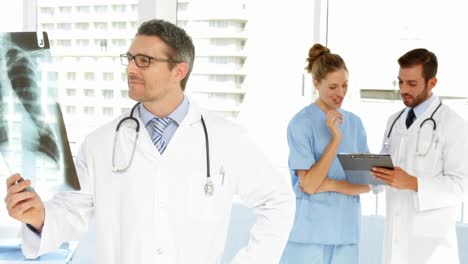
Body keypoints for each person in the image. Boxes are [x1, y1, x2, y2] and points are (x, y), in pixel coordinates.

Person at [3, 19, 295, 263]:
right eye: (129, 59)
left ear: (178, 71)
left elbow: (277, 200)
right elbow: (70, 211)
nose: (130, 69)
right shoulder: (101, 143)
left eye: (144, 61)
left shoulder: (227, 138)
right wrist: (38, 216)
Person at [371, 48, 468, 264]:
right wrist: (370, 173)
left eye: (412, 84)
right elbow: (386, 170)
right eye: (400, 82)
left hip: (432, 249)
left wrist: (414, 183)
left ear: (432, 83)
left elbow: (461, 186)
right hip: (395, 242)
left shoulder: (453, 124)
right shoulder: (393, 121)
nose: (403, 89)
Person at [280, 43, 370, 264]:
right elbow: (309, 185)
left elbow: (368, 184)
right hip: (309, 235)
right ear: (316, 83)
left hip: (347, 233)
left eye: (344, 85)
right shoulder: (301, 124)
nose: (340, 93)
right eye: (332, 87)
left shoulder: (355, 124)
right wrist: (335, 140)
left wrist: (331, 185)